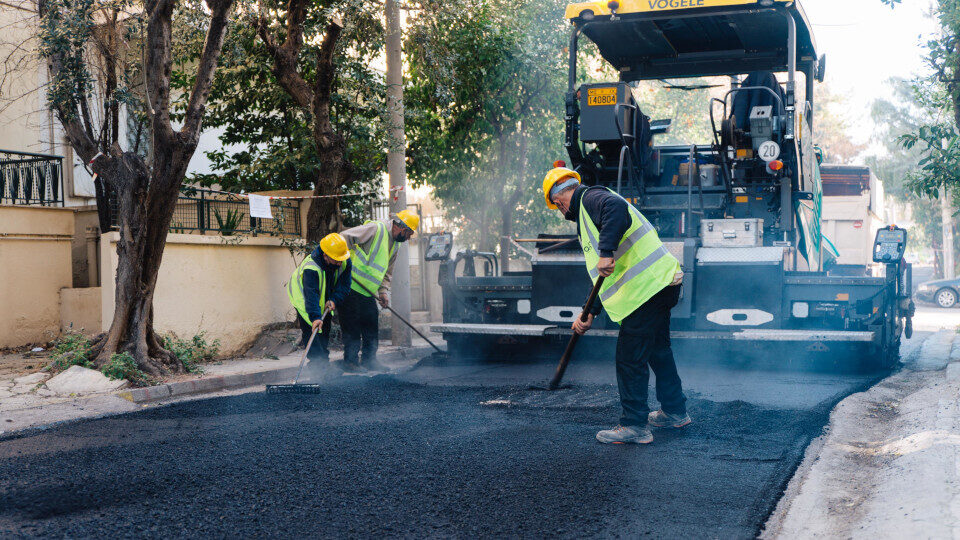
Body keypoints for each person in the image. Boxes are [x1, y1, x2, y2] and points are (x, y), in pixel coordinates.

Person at [542, 166, 691, 444]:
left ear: (559, 200)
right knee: (658, 351)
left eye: (558, 208)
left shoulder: (591, 198)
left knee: (629, 357)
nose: (562, 213)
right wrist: (589, 313)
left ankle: (634, 425)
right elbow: (604, 275)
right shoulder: (589, 210)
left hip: (647, 290)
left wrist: (606, 251)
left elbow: (617, 208)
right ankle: (674, 411)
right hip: (661, 283)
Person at [339, 209, 420, 371]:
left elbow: (387, 271)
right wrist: (339, 262)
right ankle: (350, 362)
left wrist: (383, 291)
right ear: (402, 228)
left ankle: (369, 360)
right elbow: (343, 237)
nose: (409, 238)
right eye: (409, 234)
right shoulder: (376, 229)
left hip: (368, 291)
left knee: (371, 325)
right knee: (352, 327)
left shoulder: (395, 245)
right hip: (349, 286)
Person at [287, 232, 353, 372]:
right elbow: (311, 295)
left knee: (325, 329)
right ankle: (317, 367)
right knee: (313, 331)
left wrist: (334, 299)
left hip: (326, 297)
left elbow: (345, 285)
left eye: (340, 259)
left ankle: (324, 364)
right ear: (325, 255)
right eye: (336, 260)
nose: (339, 263)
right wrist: (315, 317)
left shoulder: (344, 260)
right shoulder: (311, 268)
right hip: (304, 299)